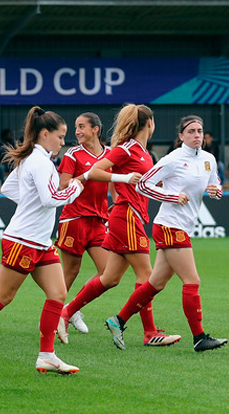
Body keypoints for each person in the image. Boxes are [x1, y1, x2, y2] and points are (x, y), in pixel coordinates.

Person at [0, 107, 83, 379]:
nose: (62, 142)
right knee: (3, 296)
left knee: (58, 294)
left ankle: (46, 355)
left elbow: (11, 189)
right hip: (23, 240)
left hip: (38, 240)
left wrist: (32, 205)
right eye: (60, 136)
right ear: (45, 134)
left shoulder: (32, 159)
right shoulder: (41, 162)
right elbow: (49, 200)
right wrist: (75, 188)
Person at [57, 104, 181, 348]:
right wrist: (122, 179)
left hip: (128, 216)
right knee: (146, 276)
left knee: (110, 278)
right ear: (150, 123)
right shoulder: (128, 149)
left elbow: (145, 184)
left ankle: (65, 313)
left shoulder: (144, 153)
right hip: (127, 216)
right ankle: (149, 333)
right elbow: (94, 171)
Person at [105, 115, 227, 352]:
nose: (197, 135)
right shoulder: (172, 159)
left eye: (200, 131)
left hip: (182, 226)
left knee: (155, 283)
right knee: (192, 281)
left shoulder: (208, 159)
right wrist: (171, 196)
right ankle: (200, 337)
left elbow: (216, 185)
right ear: (180, 136)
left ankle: (118, 320)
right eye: (191, 131)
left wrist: (216, 191)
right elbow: (142, 184)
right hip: (170, 225)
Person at [54, 113, 111, 339]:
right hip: (74, 219)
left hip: (98, 221)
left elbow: (114, 182)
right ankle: (52, 318)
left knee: (108, 273)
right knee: (70, 271)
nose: (76, 131)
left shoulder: (109, 155)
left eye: (81, 127)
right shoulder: (73, 154)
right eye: (75, 127)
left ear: (96, 129)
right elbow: (63, 185)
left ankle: (73, 308)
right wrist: (86, 176)